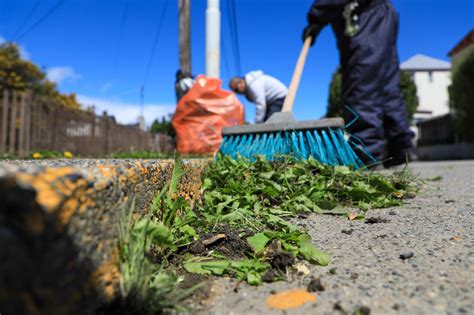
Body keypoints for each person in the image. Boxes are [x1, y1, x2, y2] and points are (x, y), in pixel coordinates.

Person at [302, 0, 414, 167]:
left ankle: (365, 152)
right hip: (381, 13)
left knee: (361, 82)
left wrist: (316, 18)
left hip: (364, 16)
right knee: (386, 83)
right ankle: (400, 148)